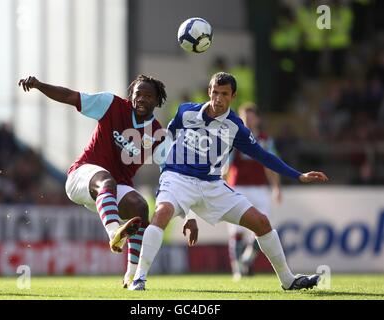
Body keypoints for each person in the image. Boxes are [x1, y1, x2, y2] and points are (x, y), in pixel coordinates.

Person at [128, 72, 328, 291]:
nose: (218, 98)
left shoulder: (236, 127)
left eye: (224, 94)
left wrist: (297, 175)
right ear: (209, 92)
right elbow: (167, 141)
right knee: (162, 213)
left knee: (262, 222)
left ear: (233, 96)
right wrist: (172, 183)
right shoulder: (185, 111)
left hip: (212, 185)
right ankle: (139, 278)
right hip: (177, 179)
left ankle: (288, 280)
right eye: (215, 92)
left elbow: (264, 156)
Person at [18, 75, 198, 287]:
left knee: (140, 207)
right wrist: (39, 85)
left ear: (157, 101)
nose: (141, 99)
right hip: (82, 177)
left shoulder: (158, 135)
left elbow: (175, 175)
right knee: (106, 180)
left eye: (148, 96)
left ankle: (132, 277)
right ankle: (115, 233)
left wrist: (189, 214)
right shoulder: (110, 104)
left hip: (111, 194)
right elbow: (70, 96)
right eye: (138, 94)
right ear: (131, 95)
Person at [223, 103, 282, 281]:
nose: (247, 120)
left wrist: (277, 187)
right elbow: (226, 164)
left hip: (259, 189)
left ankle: (247, 259)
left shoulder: (265, 139)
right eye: (244, 116)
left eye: (250, 116)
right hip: (238, 188)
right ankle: (237, 269)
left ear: (257, 119)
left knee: (264, 228)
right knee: (236, 230)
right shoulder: (235, 138)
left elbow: (271, 165)